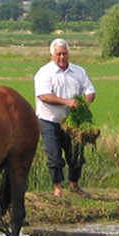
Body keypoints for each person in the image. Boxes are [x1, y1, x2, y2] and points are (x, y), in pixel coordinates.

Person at [34, 38, 96, 198]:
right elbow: (44, 96)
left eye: (65, 53)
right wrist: (66, 102)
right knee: (54, 156)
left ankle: (75, 185)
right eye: (58, 54)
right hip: (50, 120)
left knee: (76, 155)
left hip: (72, 123)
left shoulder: (78, 71)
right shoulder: (44, 73)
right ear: (51, 55)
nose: (62, 57)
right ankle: (58, 189)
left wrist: (85, 102)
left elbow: (89, 90)